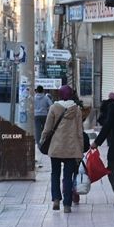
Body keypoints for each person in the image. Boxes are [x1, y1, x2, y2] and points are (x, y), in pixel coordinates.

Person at [40, 85, 83, 214]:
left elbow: (47, 128)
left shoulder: (54, 108)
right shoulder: (77, 110)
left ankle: (56, 200)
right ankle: (67, 205)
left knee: (55, 174)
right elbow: (80, 131)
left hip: (56, 147)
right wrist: (80, 149)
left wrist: (42, 140)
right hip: (71, 147)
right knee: (68, 176)